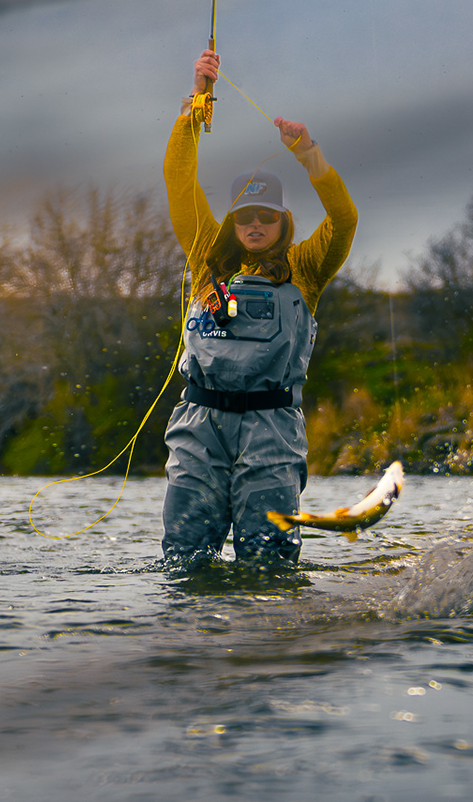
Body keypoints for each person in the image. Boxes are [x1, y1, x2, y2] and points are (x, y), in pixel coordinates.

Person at [161, 48, 357, 564]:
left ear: (282, 222)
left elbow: (344, 219)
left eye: (265, 216)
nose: (254, 224)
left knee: (269, 562)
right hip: (199, 425)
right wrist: (195, 106)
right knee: (184, 558)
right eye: (244, 214)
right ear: (232, 220)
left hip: (272, 429)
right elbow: (179, 183)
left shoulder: (307, 266)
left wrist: (308, 153)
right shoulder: (206, 254)